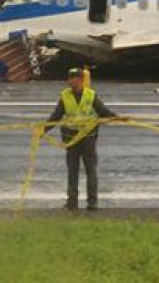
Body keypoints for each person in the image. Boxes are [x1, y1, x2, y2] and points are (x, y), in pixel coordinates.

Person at [44, 68, 121, 210]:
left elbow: (102, 111)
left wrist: (118, 117)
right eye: (70, 78)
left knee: (90, 170)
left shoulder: (90, 95)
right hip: (71, 138)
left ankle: (92, 202)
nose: (71, 80)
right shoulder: (65, 96)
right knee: (72, 170)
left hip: (88, 138)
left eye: (75, 78)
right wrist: (44, 129)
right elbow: (57, 115)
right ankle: (72, 202)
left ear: (81, 80)